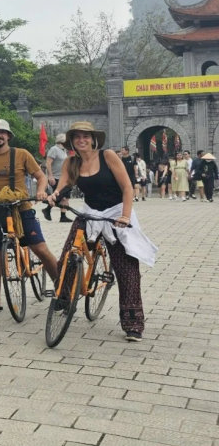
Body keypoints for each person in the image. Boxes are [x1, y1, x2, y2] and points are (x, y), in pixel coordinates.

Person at [47, 121, 156, 342]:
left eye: (85, 136)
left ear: (93, 138)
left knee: (127, 269)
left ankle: (133, 323)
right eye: (77, 137)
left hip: (116, 212)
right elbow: (62, 186)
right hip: (90, 212)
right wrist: (53, 196)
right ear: (72, 142)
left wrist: (125, 216)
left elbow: (127, 187)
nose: (81, 140)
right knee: (68, 255)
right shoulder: (71, 162)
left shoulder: (108, 157)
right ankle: (64, 297)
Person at [0, 118, 58, 314]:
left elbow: (40, 177)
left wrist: (42, 191)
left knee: (40, 249)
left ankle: (62, 288)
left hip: (21, 208)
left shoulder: (21, 154)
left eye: (2, 133)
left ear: (8, 136)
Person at [42, 134, 72, 222]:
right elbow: (48, 163)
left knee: (65, 198)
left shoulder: (64, 150)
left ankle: (62, 216)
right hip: (56, 177)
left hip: (64, 177)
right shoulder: (54, 149)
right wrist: (50, 176)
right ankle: (48, 204)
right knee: (59, 194)